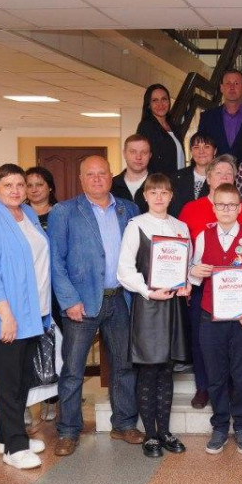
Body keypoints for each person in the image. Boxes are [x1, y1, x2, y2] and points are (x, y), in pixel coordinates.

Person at [48, 155, 142, 457]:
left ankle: (124, 424)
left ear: (111, 176)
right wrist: (68, 300)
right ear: (81, 179)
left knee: (124, 366)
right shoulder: (64, 211)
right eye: (90, 174)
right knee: (73, 369)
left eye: (102, 173)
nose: (97, 179)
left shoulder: (129, 209)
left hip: (121, 299)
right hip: (82, 302)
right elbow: (55, 261)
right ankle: (68, 430)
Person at [0, 164, 51, 471]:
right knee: (9, 383)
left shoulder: (27, 214)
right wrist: (6, 315)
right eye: (8, 185)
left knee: (22, 380)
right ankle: (16, 449)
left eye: (20, 185)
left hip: (32, 313)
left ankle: (5, 438)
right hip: (6, 316)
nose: (16, 190)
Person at [189, 184, 242, 454]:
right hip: (211, 317)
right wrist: (193, 271)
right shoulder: (203, 236)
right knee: (215, 374)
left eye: (232, 205)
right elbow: (193, 274)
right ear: (213, 208)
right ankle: (220, 425)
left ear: (239, 208)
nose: (226, 209)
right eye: (221, 205)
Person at [117, 173, 191, 459]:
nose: (159, 197)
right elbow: (124, 270)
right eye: (153, 192)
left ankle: (165, 432)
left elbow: (187, 265)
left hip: (173, 306)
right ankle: (150, 434)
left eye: (164, 192)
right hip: (148, 305)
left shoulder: (181, 227)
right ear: (145, 196)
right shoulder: (136, 225)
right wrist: (147, 291)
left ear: (171, 196)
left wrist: (186, 283)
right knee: (149, 371)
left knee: (167, 370)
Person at [178, 155, 242, 408]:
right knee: (203, 341)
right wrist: (191, 272)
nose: (224, 176)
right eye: (218, 173)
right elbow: (181, 250)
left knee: (235, 345)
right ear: (208, 178)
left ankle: (233, 388)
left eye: (229, 173)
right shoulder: (191, 209)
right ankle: (204, 387)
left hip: (237, 291)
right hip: (204, 289)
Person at [25, 165, 60, 421]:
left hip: (57, 291)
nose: (34, 189)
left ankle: (53, 400)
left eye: (39, 184)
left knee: (56, 347)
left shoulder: (61, 213)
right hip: (29, 291)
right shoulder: (19, 215)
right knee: (28, 349)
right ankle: (27, 403)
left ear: (50, 187)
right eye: (29, 185)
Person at [198, 69, 242, 158]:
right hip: (216, 167)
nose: (232, 87)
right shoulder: (207, 117)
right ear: (221, 88)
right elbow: (200, 148)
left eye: (236, 83)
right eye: (228, 83)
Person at [134, 83, 184, 178]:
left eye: (164, 99)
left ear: (169, 102)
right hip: (159, 183)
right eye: (155, 100)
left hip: (177, 182)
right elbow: (142, 160)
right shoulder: (146, 127)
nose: (160, 104)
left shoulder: (174, 127)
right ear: (149, 105)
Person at [171, 131, 216, 218]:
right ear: (191, 151)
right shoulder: (176, 177)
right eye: (196, 147)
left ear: (215, 151)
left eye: (206, 147)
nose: (201, 151)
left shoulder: (221, 178)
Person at [110, 134, 151, 213]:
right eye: (133, 152)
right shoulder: (111, 185)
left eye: (144, 152)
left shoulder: (162, 184)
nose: (138, 157)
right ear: (124, 154)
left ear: (150, 155)